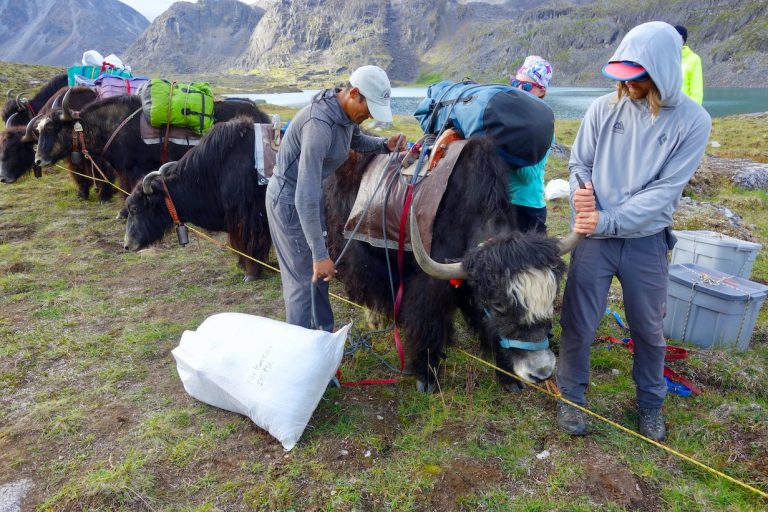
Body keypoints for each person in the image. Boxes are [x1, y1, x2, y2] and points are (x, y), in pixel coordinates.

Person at [555, 22, 711, 441]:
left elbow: (663, 194)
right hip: (594, 241)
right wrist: (580, 193)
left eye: (638, 77)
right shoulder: (603, 109)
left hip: (645, 242)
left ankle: (650, 405)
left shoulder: (694, 122)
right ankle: (571, 399)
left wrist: (605, 219)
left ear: (660, 70)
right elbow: (579, 163)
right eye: (623, 78)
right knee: (578, 323)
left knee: (648, 328)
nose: (630, 86)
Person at [266, 65, 407, 332]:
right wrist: (320, 254)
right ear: (354, 93)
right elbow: (304, 195)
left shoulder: (345, 116)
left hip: (309, 198)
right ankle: (300, 355)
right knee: (303, 281)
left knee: (319, 279)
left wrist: (383, 145)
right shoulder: (318, 126)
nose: (368, 116)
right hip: (289, 201)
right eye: (368, 109)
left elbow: (355, 141)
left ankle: (323, 341)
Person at [508, 55, 553, 233]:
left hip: (528, 208)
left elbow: (528, 176)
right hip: (501, 203)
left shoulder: (544, 127)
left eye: (526, 86)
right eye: (515, 83)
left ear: (541, 91)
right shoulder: (507, 118)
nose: (519, 89)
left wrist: (504, 149)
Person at [674, 25, 704, 105]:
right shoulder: (666, 58)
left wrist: (693, 113)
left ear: (683, 39)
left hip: (684, 111)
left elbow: (696, 92)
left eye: (677, 36)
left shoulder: (694, 59)